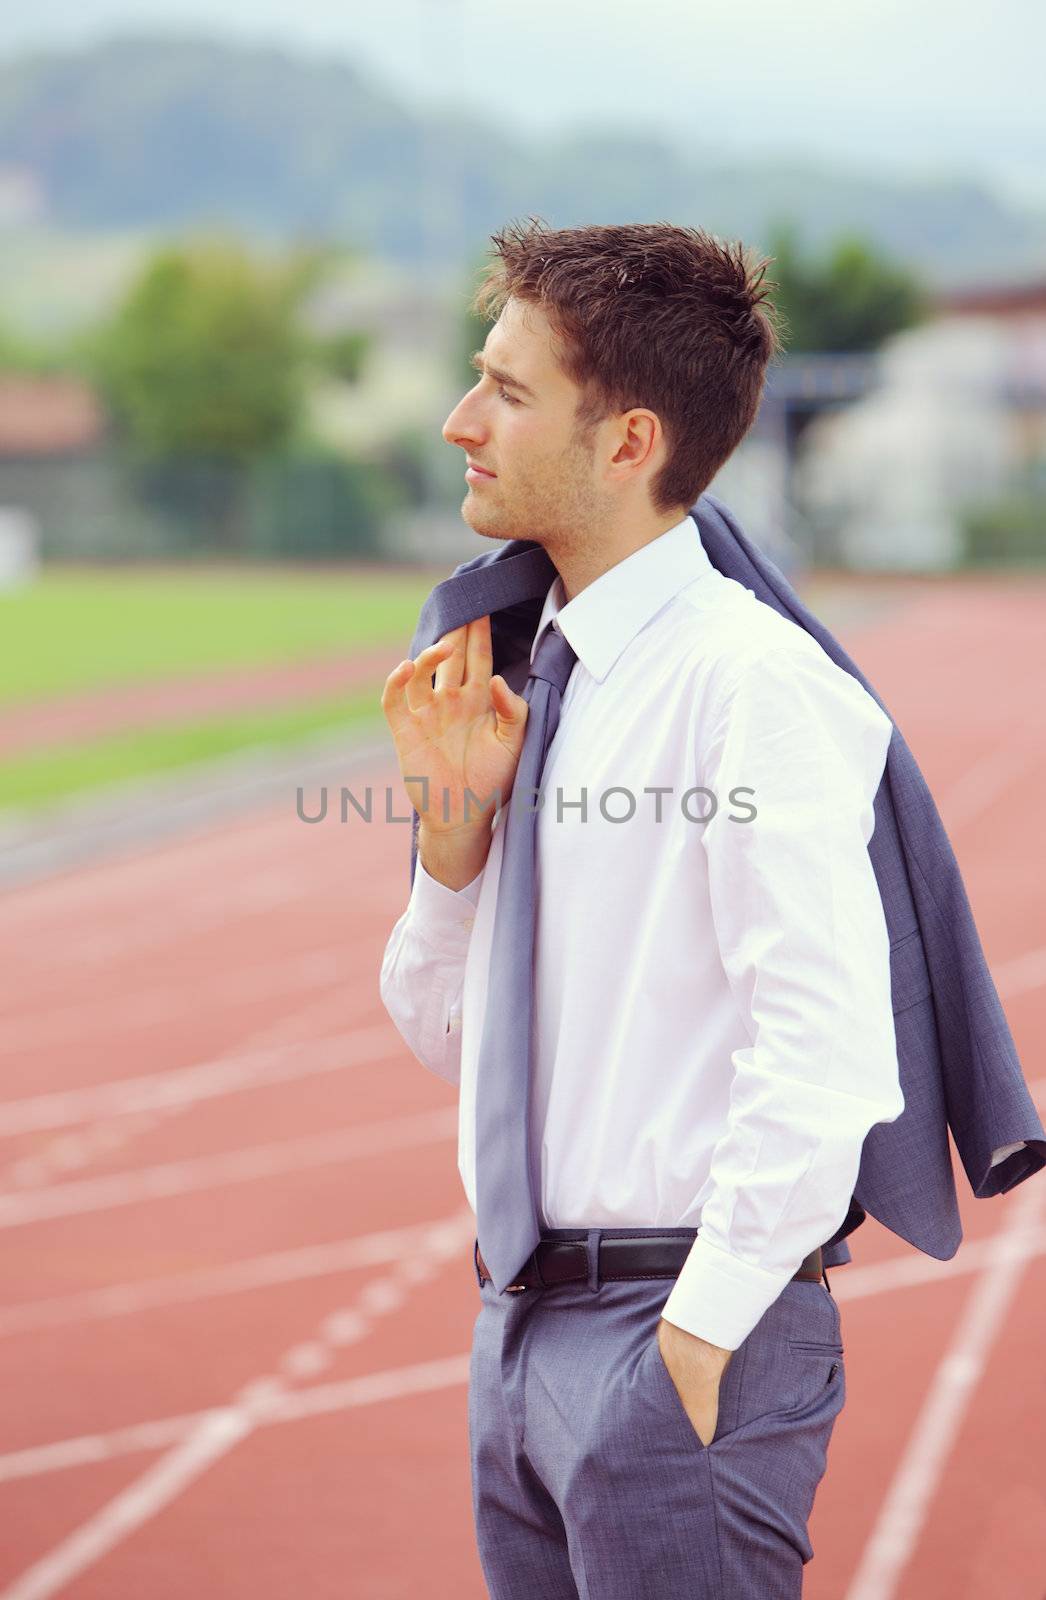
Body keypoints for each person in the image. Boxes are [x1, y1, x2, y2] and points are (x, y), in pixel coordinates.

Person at [378, 220, 905, 1597]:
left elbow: (828, 1043)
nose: (458, 422)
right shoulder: (543, 672)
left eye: (504, 388)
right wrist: (452, 841)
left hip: (667, 1328)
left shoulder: (747, 686)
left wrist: (699, 1333)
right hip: (519, 1329)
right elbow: (452, 1040)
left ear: (625, 443)